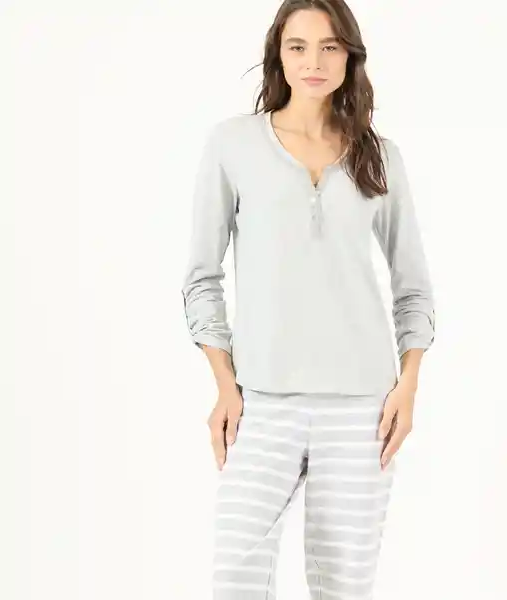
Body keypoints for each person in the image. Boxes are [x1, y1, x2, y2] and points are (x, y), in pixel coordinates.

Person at [180, 1, 436, 597]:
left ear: (349, 56)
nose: (313, 62)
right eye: (298, 47)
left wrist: (408, 385)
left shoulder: (379, 156)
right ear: (279, 55)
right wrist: (224, 383)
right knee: (236, 579)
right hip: (261, 402)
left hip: (363, 410)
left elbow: (413, 285)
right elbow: (201, 277)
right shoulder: (233, 144)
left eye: (329, 47)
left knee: (343, 587)